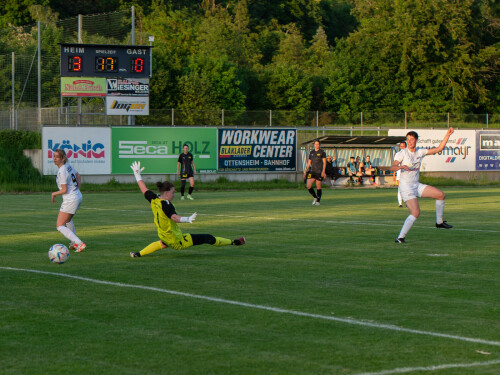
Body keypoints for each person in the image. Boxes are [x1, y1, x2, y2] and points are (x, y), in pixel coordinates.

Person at [129, 161, 245, 258]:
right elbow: (174, 218)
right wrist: (187, 219)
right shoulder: (167, 204)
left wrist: (137, 175)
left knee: (163, 244)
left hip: (164, 235)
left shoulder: (154, 198)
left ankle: (137, 254)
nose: (174, 194)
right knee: (207, 237)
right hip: (177, 240)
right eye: (173, 192)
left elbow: (143, 188)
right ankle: (234, 242)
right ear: (166, 193)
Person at [391, 128, 455, 243]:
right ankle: (400, 238)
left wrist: (447, 135)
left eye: (412, 139)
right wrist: (400, 167)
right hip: (406, 186)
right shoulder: (402, 153)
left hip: (416, 185)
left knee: (440, 195)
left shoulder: (419, 152)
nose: (410, 141)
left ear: (416, 140)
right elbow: (393, 167)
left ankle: (439, 223)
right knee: (415, 213)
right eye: (408, 140)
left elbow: (439, 149)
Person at [51, 148, 86, 252]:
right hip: (77, 196)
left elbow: (64, 190)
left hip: (71, 199)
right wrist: (77, 190)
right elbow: (78, 176)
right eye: (54, 156)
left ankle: (79, 243)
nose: (54, 159)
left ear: (63, 158)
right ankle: (75, 243)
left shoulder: (62, 171)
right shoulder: (68, 166)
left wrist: (54, 194)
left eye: (57, 157)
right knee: (68, 220)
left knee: (59, 225)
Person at [303, 140, 326, 205]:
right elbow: (309, 162)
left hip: (319, 171)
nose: (316, 145)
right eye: (315, 144)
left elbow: (324, 163)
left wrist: (323, 171)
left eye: (318, 144)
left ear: (319, 145)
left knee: (318, 186)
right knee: (308, 186)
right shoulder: (312, 152)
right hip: (312, 171)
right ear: (314, 145)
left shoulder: (322, 152)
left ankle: (318, 201)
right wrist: (306, 170)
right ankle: (315, 197)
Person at [393, 141, 407, 207]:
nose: (402, 148)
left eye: (403, 146)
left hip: (407, 174)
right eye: (401, 146)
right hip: (399, 174)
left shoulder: (408, 154)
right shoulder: (397, 154)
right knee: (400, 189)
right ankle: (400, 203)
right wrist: (394, 174)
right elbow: (395, 165)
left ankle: (407, 202)